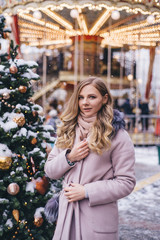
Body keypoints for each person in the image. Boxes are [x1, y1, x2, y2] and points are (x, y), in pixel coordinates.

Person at [44, 77, 136, 240]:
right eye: (81, 97)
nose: (85, 102)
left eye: (92, 97)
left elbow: (126, 182)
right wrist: (69, 158)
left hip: (97, 222)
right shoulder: (68, 130)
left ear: (104, 99)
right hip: (66, 219)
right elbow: (50, 171)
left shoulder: (118, 136)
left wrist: (87, 191)